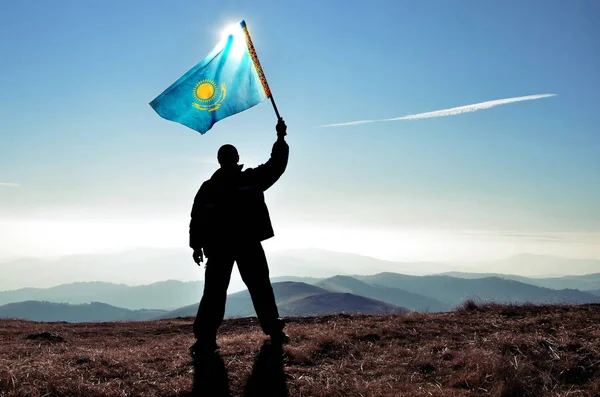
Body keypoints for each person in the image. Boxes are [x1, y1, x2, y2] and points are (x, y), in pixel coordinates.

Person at [189, 119, 289, 355]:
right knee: (257, 288)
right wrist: (281, 139)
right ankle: (274, 331)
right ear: (235, 158)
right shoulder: (248, 180)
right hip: (243, 244)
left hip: (222, 247)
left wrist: (196, 245)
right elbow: (275, 166)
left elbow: (197, 218)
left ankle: (206, 339)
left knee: (218, 293)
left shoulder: (211, 187)